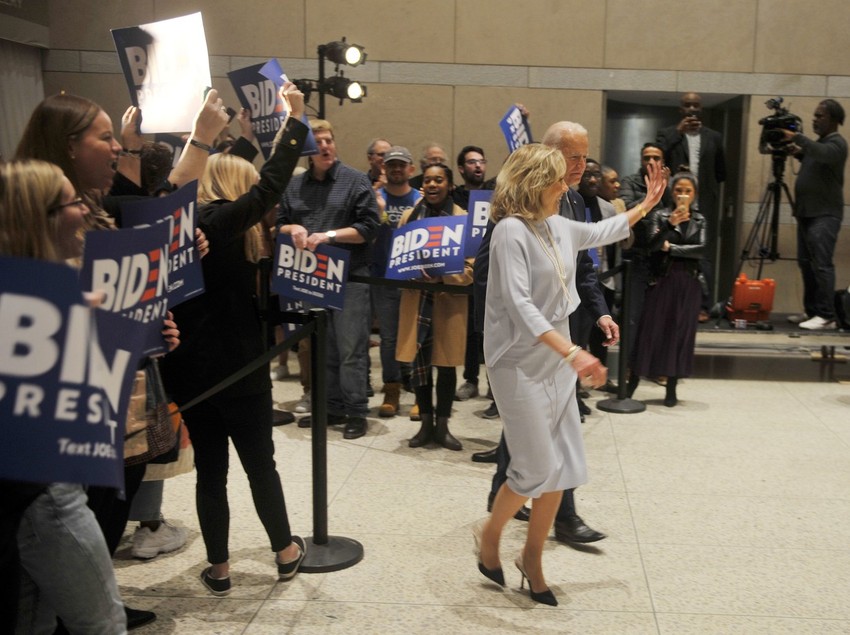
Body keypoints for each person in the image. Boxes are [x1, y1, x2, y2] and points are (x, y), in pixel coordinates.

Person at [476, 143, 665, 606]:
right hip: (517, 361)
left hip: (555, 358)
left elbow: (603, 230)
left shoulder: (557, 225)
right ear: (535, 183)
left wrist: (647, 204)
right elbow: (520, 306)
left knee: (562, 469)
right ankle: (489, 535)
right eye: (559, 179)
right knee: (534, 467)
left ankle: (532, 558)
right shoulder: (509, 232)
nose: (567, 186)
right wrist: (577, 353)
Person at [159, 84, 308, 596]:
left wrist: (245, 138)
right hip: (243, 372)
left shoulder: (182, 230)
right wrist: (292, 128)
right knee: (260, 466)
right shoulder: (222, 225)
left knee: (211, 474)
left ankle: (219, 569)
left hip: (193, 375)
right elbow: (267, 190)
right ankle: (286, 552)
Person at [277, 119, 381, 440]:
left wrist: (330, 235)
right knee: (325, 349)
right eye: (319, 142)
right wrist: (290, 229)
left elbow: (369, 228)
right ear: (309, 150)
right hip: (313, 277)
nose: (325, 146)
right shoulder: (294, 186)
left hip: (350, 277)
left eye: (329, 140)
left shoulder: (355, 180)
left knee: (351, 349)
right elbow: (281, 222)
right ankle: (331, 407)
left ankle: (355, 412)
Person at [397, 163, 472, 450]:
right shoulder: (409, 216)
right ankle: (425, 422)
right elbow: (398, 259)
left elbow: (471, 269)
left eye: (438, 180)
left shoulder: (462, 219)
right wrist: (408, 271)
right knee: (420, 365)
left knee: (446, 365)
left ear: (449, 185)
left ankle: (443, 426)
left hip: (448, 302)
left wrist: (445, 274)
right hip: (417, 300)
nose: (431, 185)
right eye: (427, 180)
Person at [628, 172, 706, 406]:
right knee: (650, 333)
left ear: (694, 195)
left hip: (688, 282)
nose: (683, 195)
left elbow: (701, 249)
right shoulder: (660, 215)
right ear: (672, 193)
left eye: (688, 191)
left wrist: (670, 248)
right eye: (679, 190)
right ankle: (631, 385)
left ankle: (671, 388)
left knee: (679, 334)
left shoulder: (701, 219)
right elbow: (651, 246)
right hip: (662, 279)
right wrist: (670, 225)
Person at [657, 92, 727, 319]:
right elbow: (657, 159)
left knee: (702, 253)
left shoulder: (714, 137)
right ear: (681, 109)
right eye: (687, 106)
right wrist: (678, 132)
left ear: (701, 109)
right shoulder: (668, 134)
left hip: (704, 202)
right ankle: (672, 302)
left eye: (696, 106)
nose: (692, 110)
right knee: (673, 248)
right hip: (674, 201)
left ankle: (702, 306)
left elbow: (721, 172)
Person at [784, 99, 847, 330]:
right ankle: (812, 311)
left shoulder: (837, 144)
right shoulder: (820, 145)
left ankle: (827, 314)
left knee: (821, 265)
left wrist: (797, 138)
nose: (814, 119)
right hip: (807, 214)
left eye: (820, 116)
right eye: (815, 115)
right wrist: (799, 153)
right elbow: (814, 157)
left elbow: (822, 154)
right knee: (806, 264)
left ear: (833, 119)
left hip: (825, 215)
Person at [371, 146, 422, 417]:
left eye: (402, 164)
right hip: (383, 277)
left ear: (411, 169)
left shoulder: (420, 200)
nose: (396, 169)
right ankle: (392, 388)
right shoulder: (374, 198)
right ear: (384, 169)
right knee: (389, 338)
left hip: (413, 279)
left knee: (415, 336)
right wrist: (378, 211)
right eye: (391, 165)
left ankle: (417, 387)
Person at [452, 145, 495, 403]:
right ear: (461, 168)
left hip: (493, 269)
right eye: (471, 162)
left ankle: (494, 382)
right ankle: (470, 380)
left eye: (481, 161)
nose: (478, 166)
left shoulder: (496, 194)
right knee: (471, 329)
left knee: (493, 330)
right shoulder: (454, 197)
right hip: (467, 271)